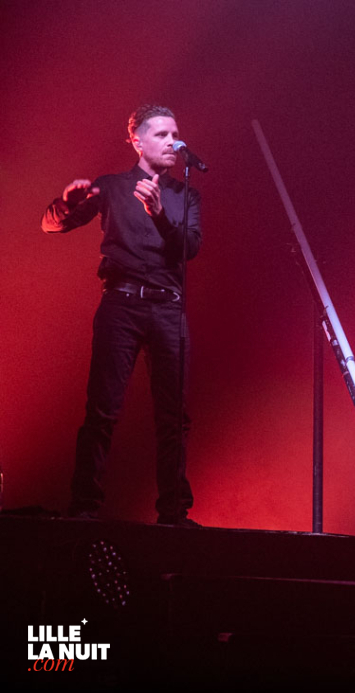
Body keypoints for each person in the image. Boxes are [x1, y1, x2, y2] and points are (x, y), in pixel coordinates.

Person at [42, 104, 202, 527]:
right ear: (137, 141)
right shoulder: (112, 186)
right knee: (103, 409)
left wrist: (160, 215)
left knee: (174, 416)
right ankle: (84, 506)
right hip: (122, 304)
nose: (173, 142)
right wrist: (64, 203)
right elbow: (52, 225)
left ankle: (173, 513)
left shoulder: (185, 194)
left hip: (169, 308)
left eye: (176, 134)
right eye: (163, 134)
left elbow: (190, 247)